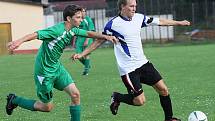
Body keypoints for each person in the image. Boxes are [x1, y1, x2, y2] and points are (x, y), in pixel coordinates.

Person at [72, 0, 191, 121]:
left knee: (163, 90)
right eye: (131, 6)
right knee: (140, 101)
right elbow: (99, 41)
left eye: (135, 6)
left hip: (144, 64)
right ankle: (117, 97)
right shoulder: (112, 24)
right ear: (122, 6)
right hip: (129, 69)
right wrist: (82, 54)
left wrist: (179, 23)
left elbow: (159, 21)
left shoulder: (139, 18)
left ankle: (169, 118)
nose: (134, 8)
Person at [6, 4, 117, 121]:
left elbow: (89, 33)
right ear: (69, 19)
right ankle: (14, 100)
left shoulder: (73, 30)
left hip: (57, 68)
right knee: (46, 107)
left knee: (75, 95)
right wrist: (18, 41)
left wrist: (106, 37)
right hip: (44, 72)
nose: (81, 19)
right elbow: (36, 34)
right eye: (78, 17)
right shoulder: (57, 30)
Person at [72, 8, 95, 75]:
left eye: (84, 11)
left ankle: (86, 71)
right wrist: (74, 41)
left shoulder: (88, 19)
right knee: (78, 55)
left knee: (86, 54)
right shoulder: (78, 20)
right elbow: (76, 31)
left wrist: (87, 40)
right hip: (79, 39)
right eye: (81, 11)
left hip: (87, 38)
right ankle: (87, 65)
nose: (83, 12)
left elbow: (91, 31)